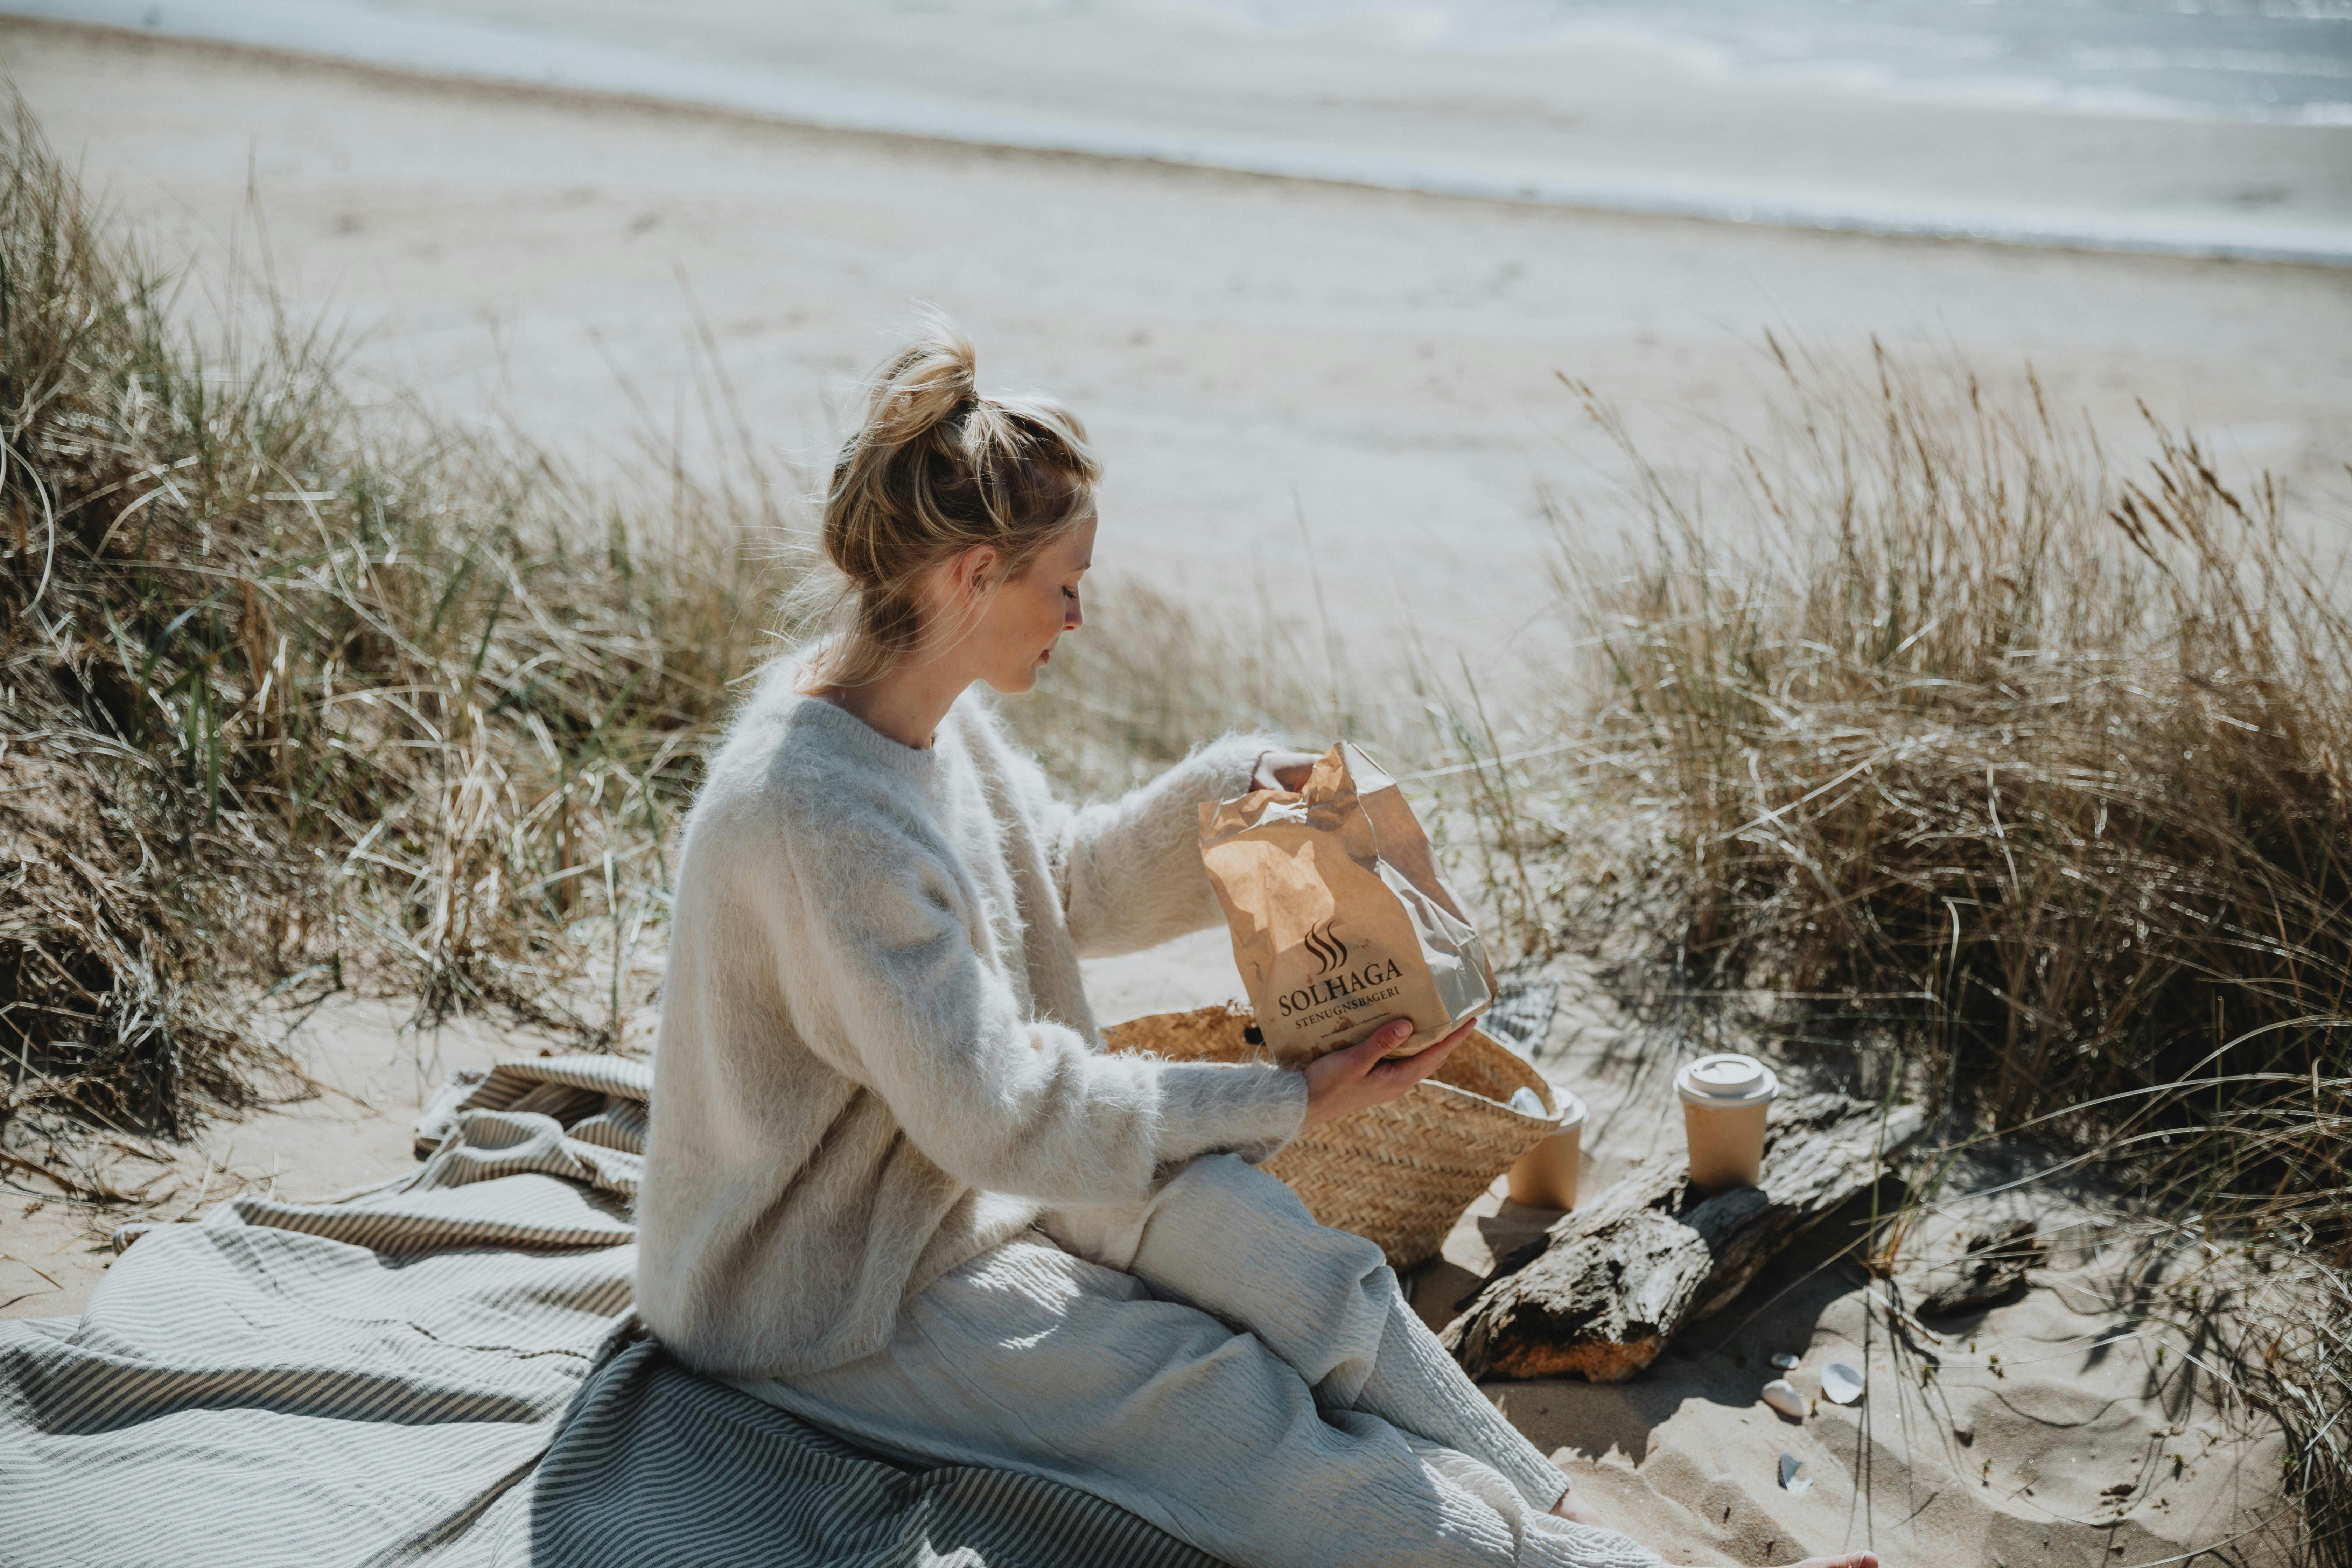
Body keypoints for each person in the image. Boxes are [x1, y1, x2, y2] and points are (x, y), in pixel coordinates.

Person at [632, 320, 1880, 1568]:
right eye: (1062, 582)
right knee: (1221, 1410)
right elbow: (998, 1116)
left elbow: (1053, 881)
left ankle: (1558, 1513)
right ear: (969, 576)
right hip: (831, 1288)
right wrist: (1285, 1098)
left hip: (971, 1184)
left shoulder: (914, 719)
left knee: (1302, 1268)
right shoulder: (814, 814)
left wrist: (1241, 792)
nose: (1080, 611)